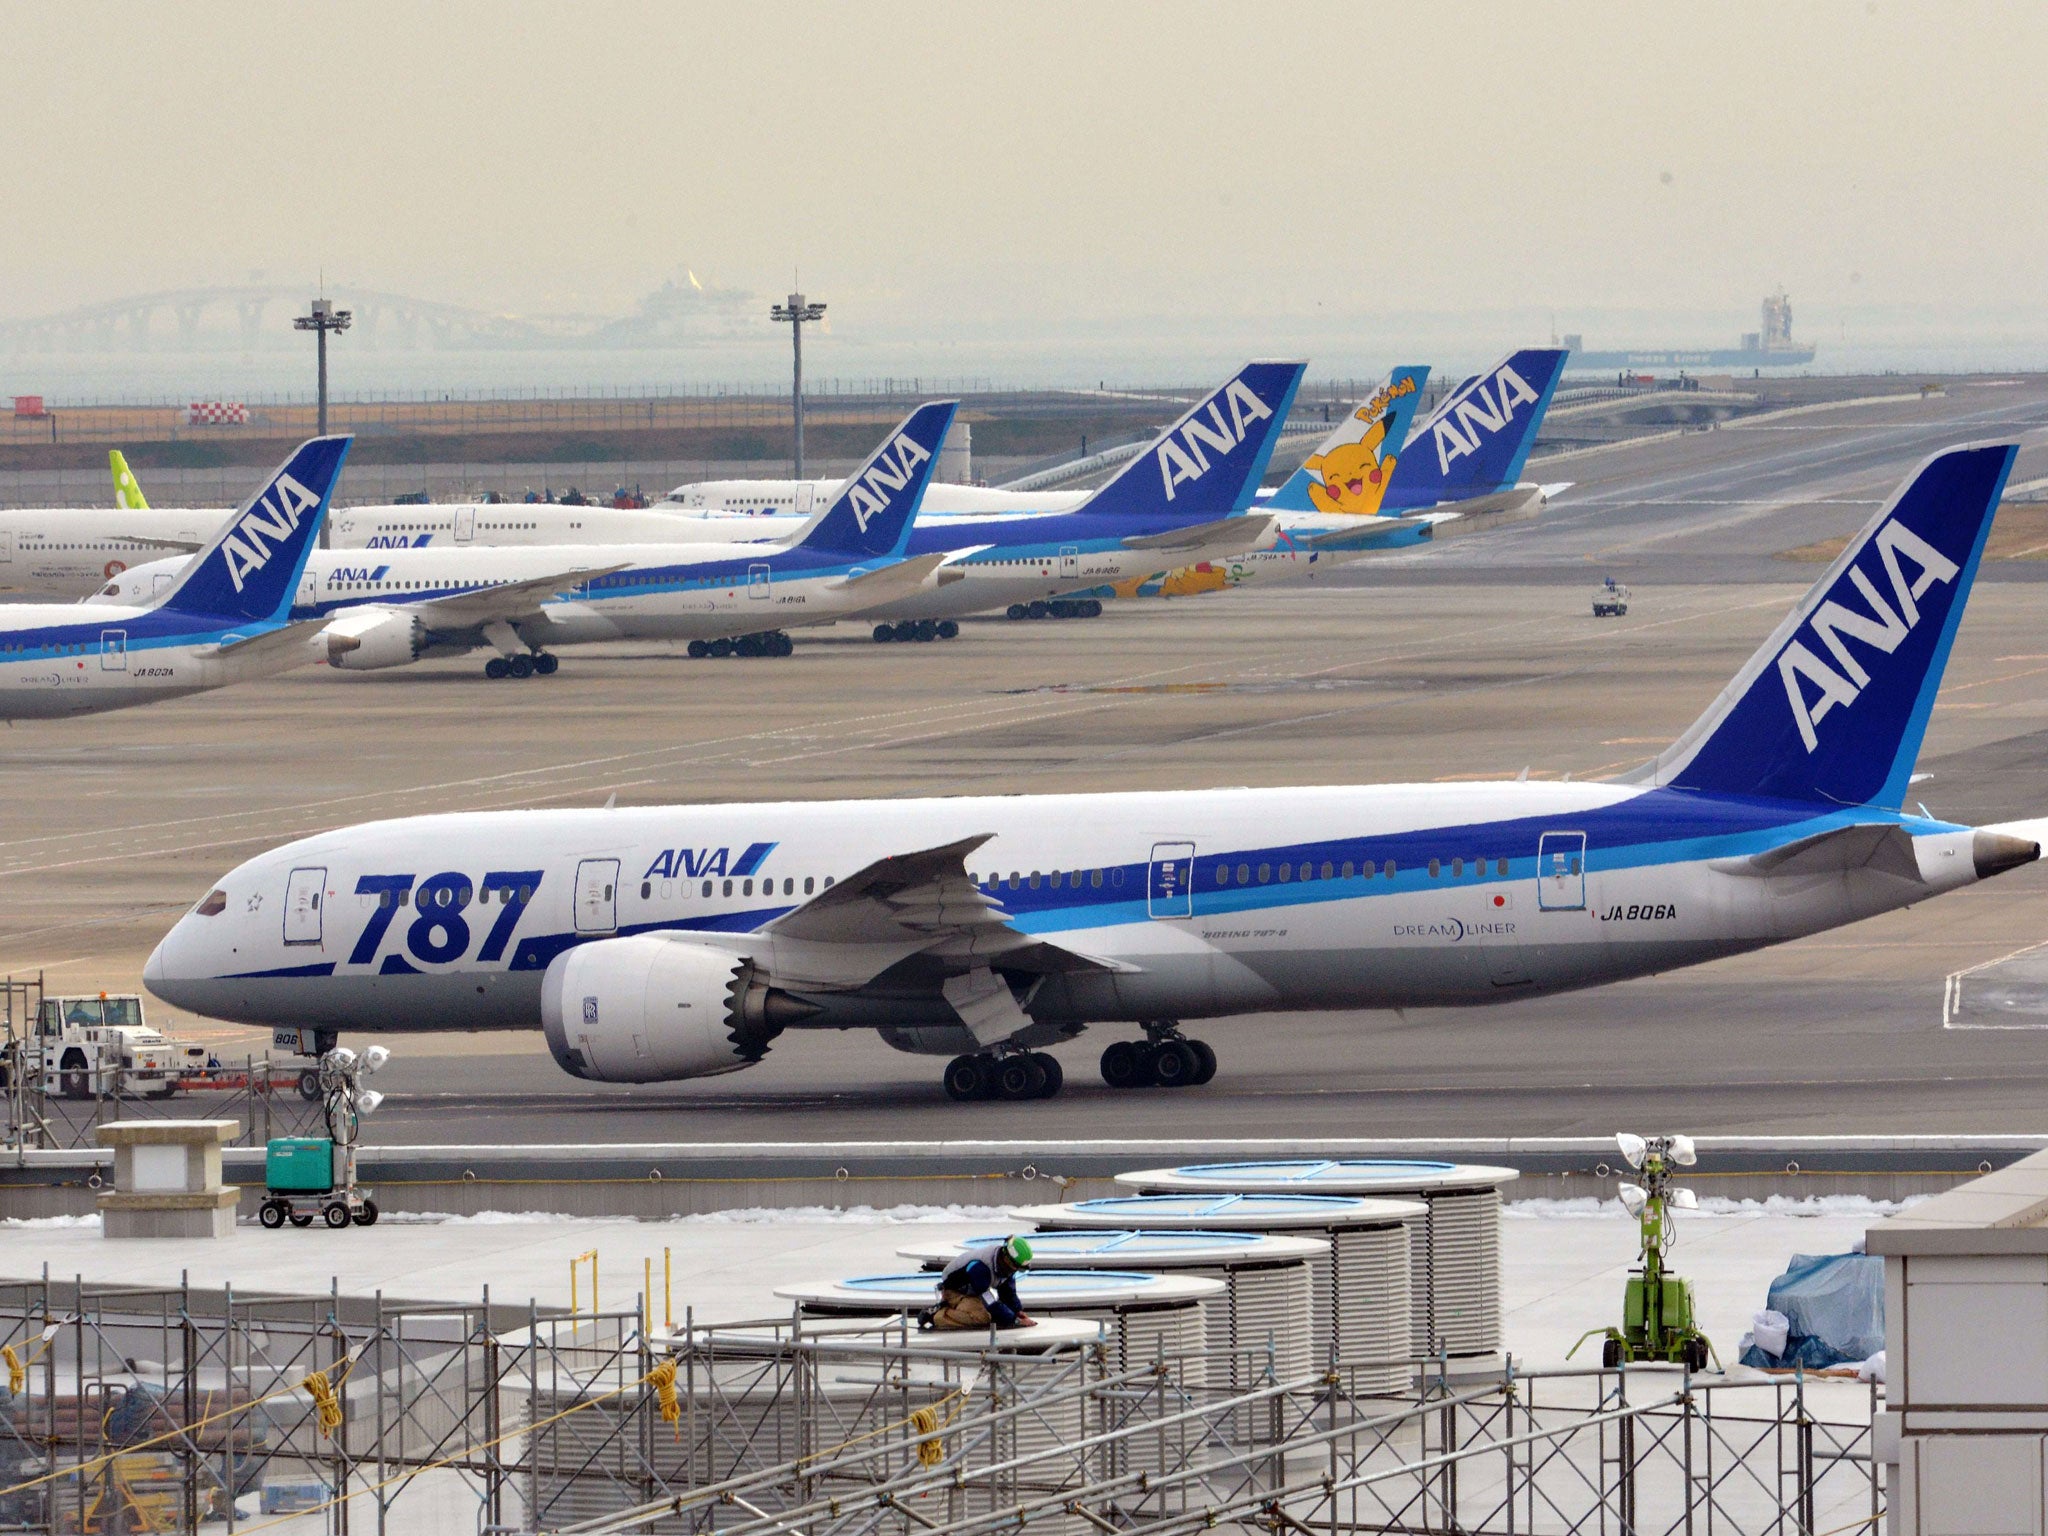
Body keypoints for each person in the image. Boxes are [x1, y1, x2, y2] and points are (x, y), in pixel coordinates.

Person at [922, 1236, 1036, 1330]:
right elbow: (989, 1301)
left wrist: (1017, 1311)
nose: (1016, 1271)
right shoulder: (980, 1267)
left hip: (974, 1291)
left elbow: (1008, 1292)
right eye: (1017, 1268)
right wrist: (1014, 1320)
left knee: (999, 1314)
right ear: (1007, 1259)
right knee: (982, 1317)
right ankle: (936, 1316)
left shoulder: (1006, 1267)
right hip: (955, 1291)